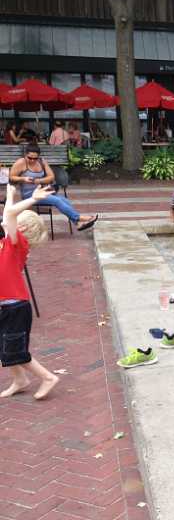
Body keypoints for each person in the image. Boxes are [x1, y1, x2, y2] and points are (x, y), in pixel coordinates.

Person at [0, 183, 60, 400]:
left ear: (22, 228)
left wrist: (33, 199)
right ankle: (20, 380)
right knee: (4, 346)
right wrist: (10, 195)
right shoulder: (9, 241)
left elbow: (8, 215)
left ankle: (48, 377)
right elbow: (8, 216)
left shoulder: (18, 243)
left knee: (17, 350)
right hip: (7, 306)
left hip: (15, 308)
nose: (5, 223)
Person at [8, 143, 98, 231]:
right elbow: (11, 177)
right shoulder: (21, 162)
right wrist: (23, 179)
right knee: (57, 200)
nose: (32, 160)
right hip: (29, 195)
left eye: (35, 158)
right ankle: (79, 218)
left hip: (43, 191)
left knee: (65, 200)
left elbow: (51, 177)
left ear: (38, 156)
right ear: (25, 155)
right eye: (30, 158)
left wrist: (38, 181)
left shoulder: (42, 162)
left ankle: (77, 223)